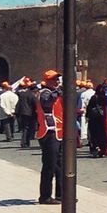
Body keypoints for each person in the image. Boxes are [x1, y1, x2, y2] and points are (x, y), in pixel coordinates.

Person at [35, 70, 64, 204]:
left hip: (57, 132)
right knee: (49, 166)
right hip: (48, 132)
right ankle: (45, 196)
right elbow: (47, 102)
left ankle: (60, 193)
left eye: (58, 79)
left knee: (59, 165)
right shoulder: (44, 93)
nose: (57, 82)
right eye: (54, 80)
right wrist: (58, 92)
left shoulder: (54, 92)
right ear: (47, 81)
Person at [17, 81, 38, 147]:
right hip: (30, 114)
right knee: (28, 128)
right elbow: (35, 105)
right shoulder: (33, 95)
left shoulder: (22, 94)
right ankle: (25, 142)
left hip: (22, 113)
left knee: (24, 128)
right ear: (34, 89)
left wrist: (17, 112)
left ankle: (24, 142)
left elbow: (19, 104)